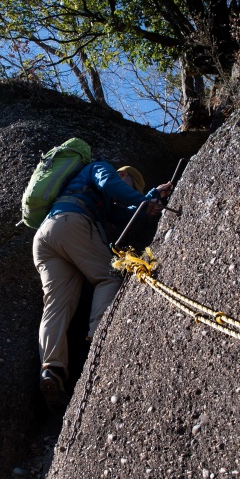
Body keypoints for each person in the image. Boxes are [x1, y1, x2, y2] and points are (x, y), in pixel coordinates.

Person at [32, 161, 173, 410]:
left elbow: (127, 213)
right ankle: (100, 341)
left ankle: (51, 370)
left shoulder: (97, 200)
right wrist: (142, 197)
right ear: (125, 175)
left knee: (57, 303)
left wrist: (150, 199)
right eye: (130, 183)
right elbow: (111, 184)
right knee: (109, 277)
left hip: (46, 236)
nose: (123, 188)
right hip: (71, 223)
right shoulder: (100, 168)